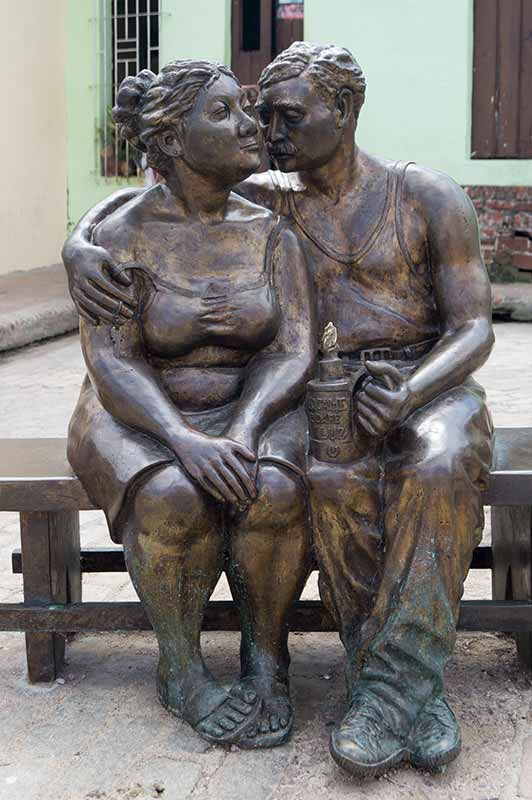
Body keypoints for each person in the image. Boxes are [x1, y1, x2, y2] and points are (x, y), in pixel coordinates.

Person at [63, 43, 494, 777]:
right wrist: (77, 245)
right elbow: (160, 192)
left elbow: (474, 326)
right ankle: (377, 680)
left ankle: (398, 688)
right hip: (327, 393)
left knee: (437, 462)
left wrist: (414, 390)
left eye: (286, 116)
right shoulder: (270, 195)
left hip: (425, 381)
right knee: (328, 481)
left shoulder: (423, 196)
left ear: (346, 111)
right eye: (258, 116)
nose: (269, 132)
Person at [66, 59, 316, 749]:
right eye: (224, 113)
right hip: (135, 412)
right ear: (172, 141)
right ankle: (180, 670)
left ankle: (267, 662)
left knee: (269, 490)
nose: (248, 125)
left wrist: (241, 426)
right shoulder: (118, 238)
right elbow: (112, 361)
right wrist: (182, 437)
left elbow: (292, 350)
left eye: (247, 107)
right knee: (175, 496)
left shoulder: (272, 231)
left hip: (251, 405)